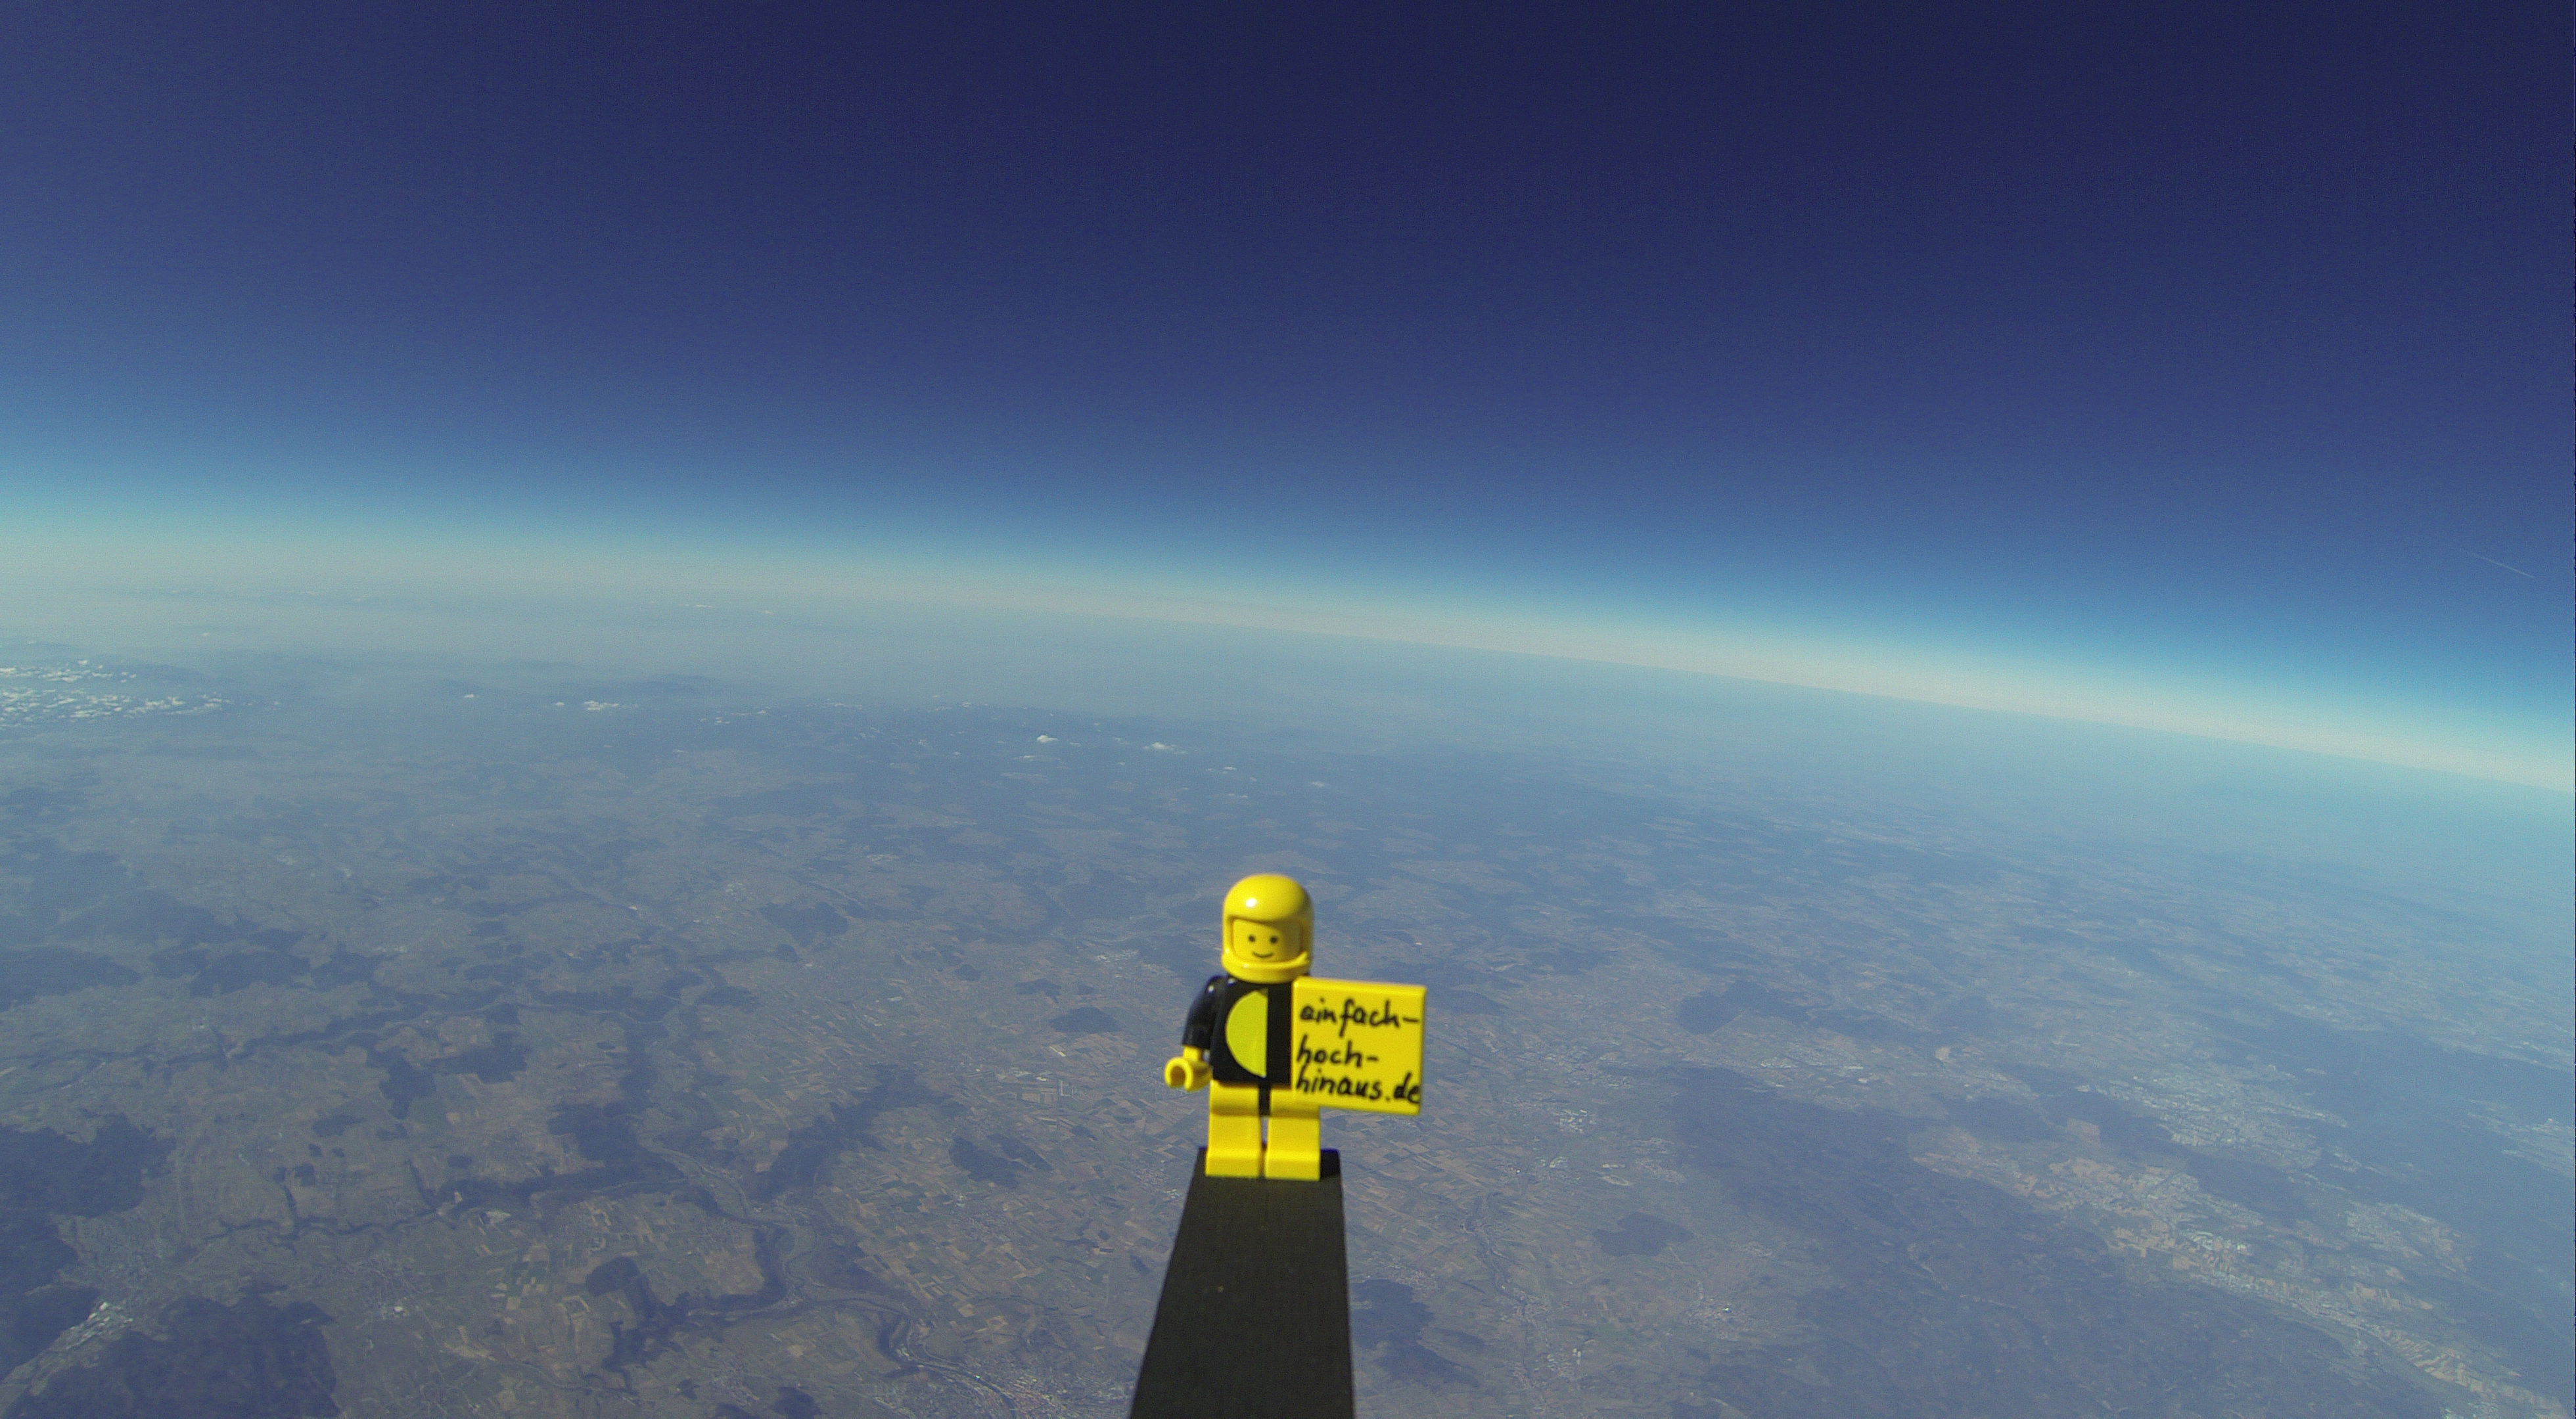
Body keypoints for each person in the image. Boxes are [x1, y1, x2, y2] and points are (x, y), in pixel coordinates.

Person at [1162, 873, 1325, 1179]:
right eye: (1252, 938)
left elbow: (1331, 1034)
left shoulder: (1310, 996)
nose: (1263, 947)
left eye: (1274, 939)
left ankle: (1294, 1155)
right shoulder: (1221, 991)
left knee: (1296, 1113)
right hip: (1233, 1076)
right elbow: (1201, 1024)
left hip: (1292, 1079)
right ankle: (1233, 1153)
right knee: (1232, 1111)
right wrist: (1192, 1061)